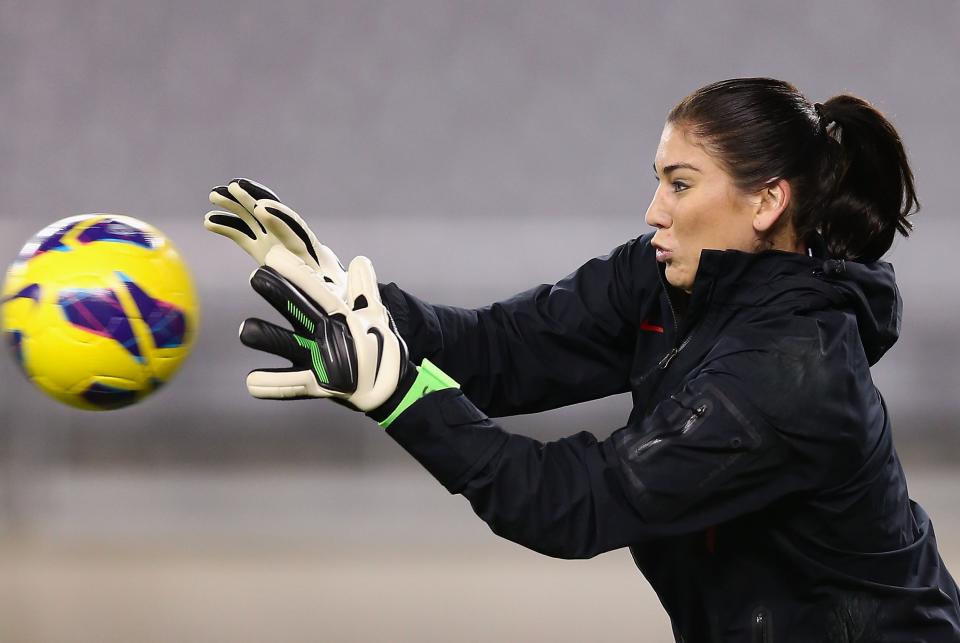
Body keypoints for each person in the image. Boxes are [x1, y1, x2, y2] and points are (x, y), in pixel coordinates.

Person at [204, 78, 960, 641]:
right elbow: (503, 348)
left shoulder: (792, 377)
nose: (654, 209)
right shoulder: (665, 277)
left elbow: (571, 503)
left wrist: (403, 395)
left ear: (766, 203)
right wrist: (358, 304)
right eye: (658, 179)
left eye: (680, 183)